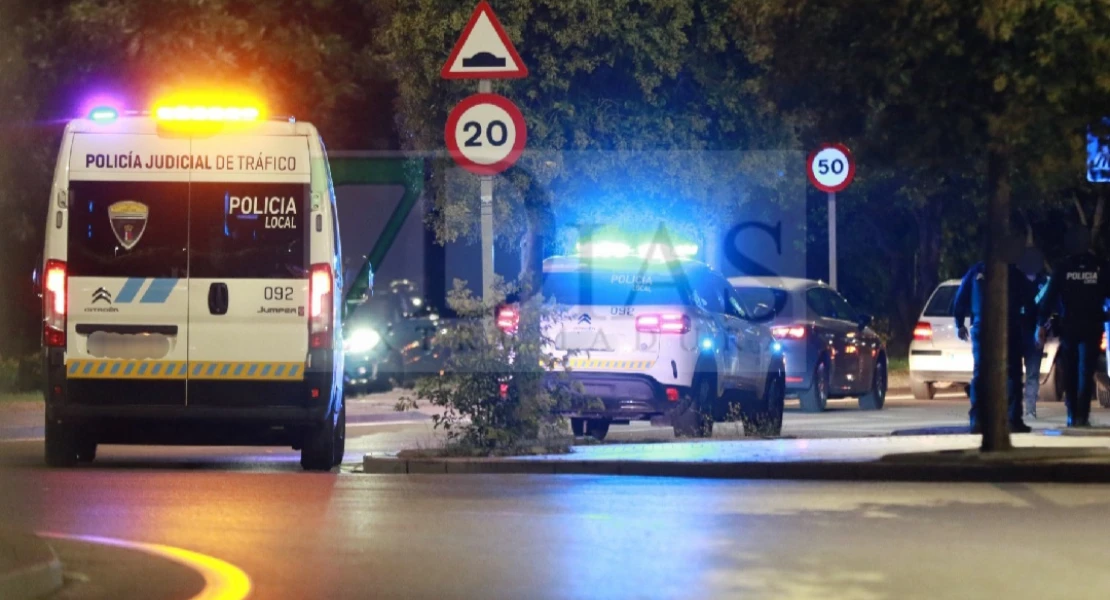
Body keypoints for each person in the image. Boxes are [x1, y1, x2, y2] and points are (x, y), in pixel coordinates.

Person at [953, 239, 1036, 434]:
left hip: (983, 327)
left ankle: (978, 420)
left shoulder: (976, 272)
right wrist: (1030, 327)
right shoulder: (1013, 273)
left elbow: (959, 300)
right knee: (1013, 373)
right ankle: (1012, 419)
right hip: (1009, 326)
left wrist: (960, 324)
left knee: (981, 373)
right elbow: (1031, 303)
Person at [1036, 227, 1110, 427]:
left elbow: (1049, 297)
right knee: (1085, 371)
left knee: (1070, 370)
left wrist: (1040, 324)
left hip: (1069, 325)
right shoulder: (1101, 266)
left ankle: (1072, 413)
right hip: (1092, 324)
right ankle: (1082, 415)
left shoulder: (1063, 267)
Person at [1017, 246, 1049, 419]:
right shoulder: (1015, 281)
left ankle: (1030, 410)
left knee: (1032, 374)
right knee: (1013, 373)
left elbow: (1051, 307)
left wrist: (1044, 326)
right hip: (1016, 333)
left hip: (1035, 334)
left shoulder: (1045, 283)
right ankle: (1012, 409)